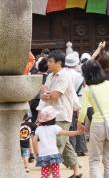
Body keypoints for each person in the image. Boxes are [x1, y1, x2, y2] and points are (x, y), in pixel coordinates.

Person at [39, 50, 82, 178]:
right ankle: (77, 172)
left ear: (59, 63)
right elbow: (44, 93)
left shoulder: (64, 76)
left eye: (51, 62)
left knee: (56, 145)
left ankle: (49, 174)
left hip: (61, 114)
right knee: (64, 143)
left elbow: (54, 95)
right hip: (51, 114)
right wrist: (46, 93)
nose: (48, 64)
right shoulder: (51, 76)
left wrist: (47, 93)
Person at [78, 60, 109, 178]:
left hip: (98, 125)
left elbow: (83, 111)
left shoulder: (88, 90)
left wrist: (79, 123)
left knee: (94, 160)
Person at [33, 106, 84, 178]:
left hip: (43, 155)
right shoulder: (54, 127)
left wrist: (36, 152)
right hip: (54, 155)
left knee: (45, 175)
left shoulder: (38, 129)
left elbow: (34, 141)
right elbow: (66, 133)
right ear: (53, 118)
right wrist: (77, 132)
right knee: (56, 174)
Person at [65, 52, 87, 157]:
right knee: (79, 123)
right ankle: (81, 148)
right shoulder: (80, 76)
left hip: (67, 101)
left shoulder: (63, 74)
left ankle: (71, 148)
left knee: (70, 126)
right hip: (79, 100)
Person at [30, 58, 49, 123]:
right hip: (43, 103)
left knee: (33, 123)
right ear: (48, 68)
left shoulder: (33, 77)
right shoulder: (48, 78)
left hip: (32, 102)